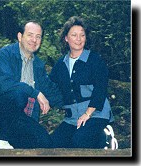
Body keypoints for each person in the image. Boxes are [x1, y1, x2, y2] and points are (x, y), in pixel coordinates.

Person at [0, 21, 63, 149]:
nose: (34, 40)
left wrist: (80, 105)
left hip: (19, 118)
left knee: (44, 142)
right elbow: (4, 84)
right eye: (30, 35)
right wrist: (36, 93)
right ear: (20, 36)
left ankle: (1, 137)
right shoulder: (5, 54)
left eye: (38, 36)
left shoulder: (38, 66)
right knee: (19, 95)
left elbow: (52, 92)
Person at [49, 16, 118, 149]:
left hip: (96, 114)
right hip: (72, 118)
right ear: (66, 38)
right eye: (74, 35)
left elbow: (101, 89)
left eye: (82, 35)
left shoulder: (94, 60)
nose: (79, 39)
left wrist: (87, 113)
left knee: (79, 140)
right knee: (54, 144)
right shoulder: (60, 65)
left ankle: (105, 138)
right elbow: (50, 86)